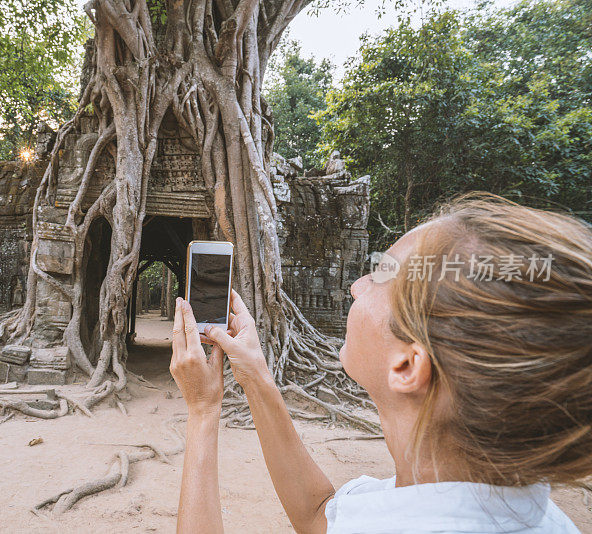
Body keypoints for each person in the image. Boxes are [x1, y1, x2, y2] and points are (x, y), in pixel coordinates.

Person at [169, 193, 590, 533]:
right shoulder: (498, 500)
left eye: (379, 276)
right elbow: (321, 515)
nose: (356, 286)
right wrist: (257, 377)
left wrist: (203, 411)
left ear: (407, 366)